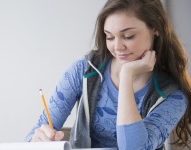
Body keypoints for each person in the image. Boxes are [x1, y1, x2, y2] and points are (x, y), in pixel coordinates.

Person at [26, 0, 191, 149]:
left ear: (155, 28)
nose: (117, 47)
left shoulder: (172, 94)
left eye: (128, 36)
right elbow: (32, 136)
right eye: (110, 37)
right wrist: (36, 141)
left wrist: (127, 75)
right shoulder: (84, 71)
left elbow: (134, 148)